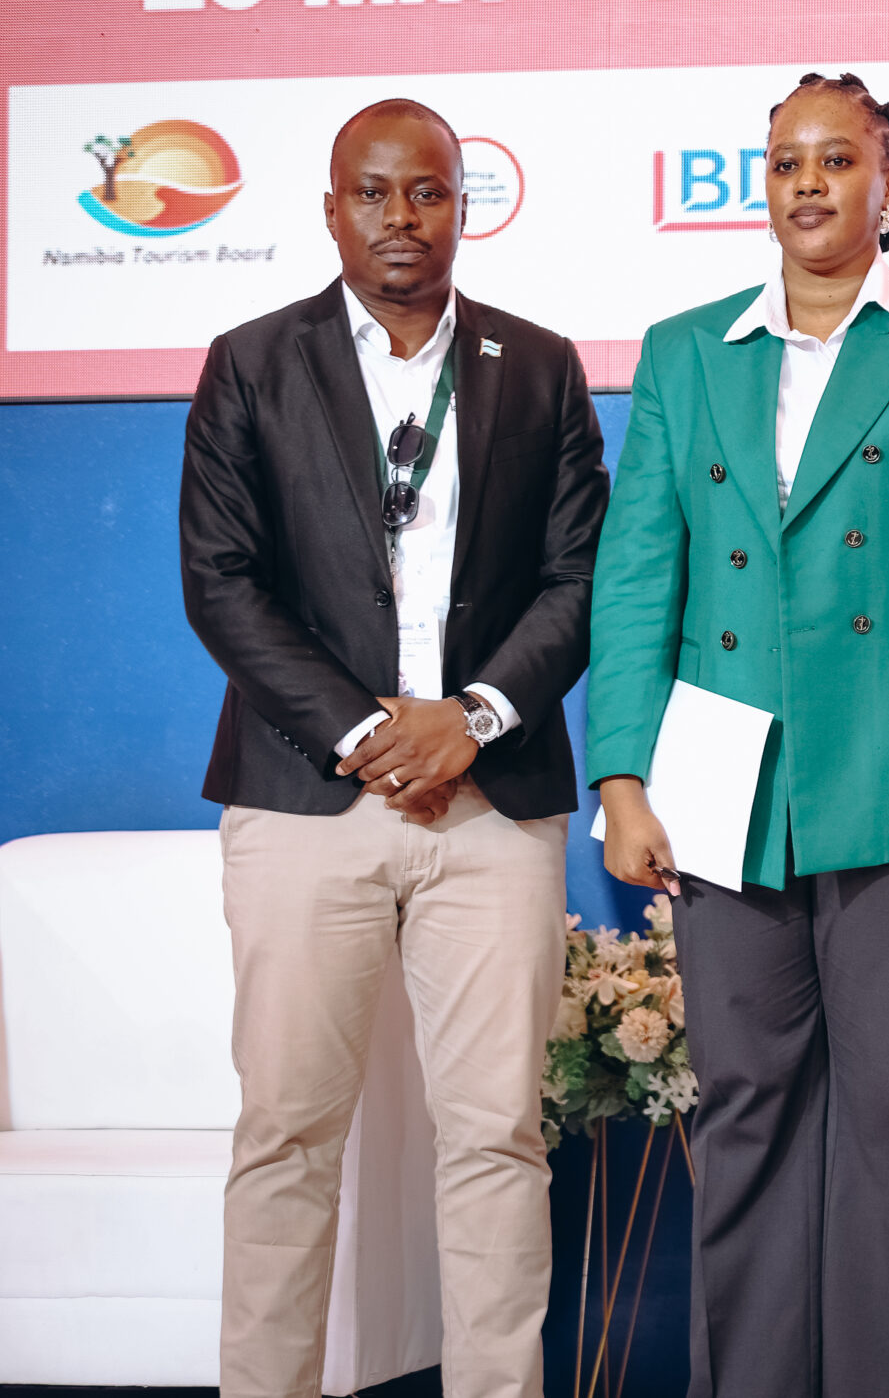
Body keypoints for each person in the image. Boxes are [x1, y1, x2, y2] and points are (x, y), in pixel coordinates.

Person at [587, 72, 889, 1398]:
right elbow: (638, 576)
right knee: (742, 1111)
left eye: (838, 158)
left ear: (888, 184)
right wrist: (621, 778)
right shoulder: (686, 350)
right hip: (725, 788)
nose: (807, 182)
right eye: (786, 159)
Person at [180, 98, 609, 1398]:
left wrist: (468, 719)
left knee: (496, 1140)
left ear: (463, 207)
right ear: (331, 209)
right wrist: (371, 732)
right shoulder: (253, 362)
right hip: (303, 798)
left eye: (427, 191)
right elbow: (221, 582)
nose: (401, 217)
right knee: (286, 1135)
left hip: (494, 803)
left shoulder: (539, 366)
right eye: (372, 193)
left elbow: (580, 579)